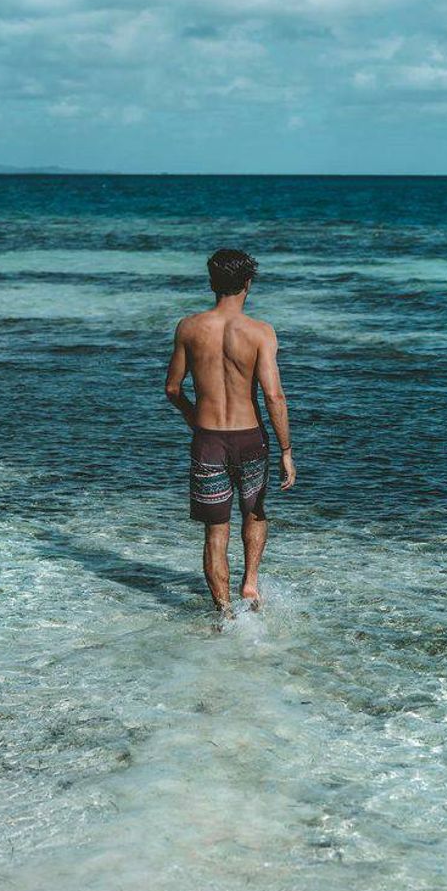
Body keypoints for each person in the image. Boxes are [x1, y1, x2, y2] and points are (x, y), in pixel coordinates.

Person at [165, 248, 296, 617]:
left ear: (211, 284)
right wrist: (286, 450)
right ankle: (250, 583)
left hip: (208, 440)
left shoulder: (188, 328)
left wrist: (195, 419)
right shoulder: (260, 333)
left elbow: (173, 389)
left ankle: (224, 614)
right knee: (254, 512)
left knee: (215, 532)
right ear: (248, 284)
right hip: (251, 439)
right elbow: (273, 395)